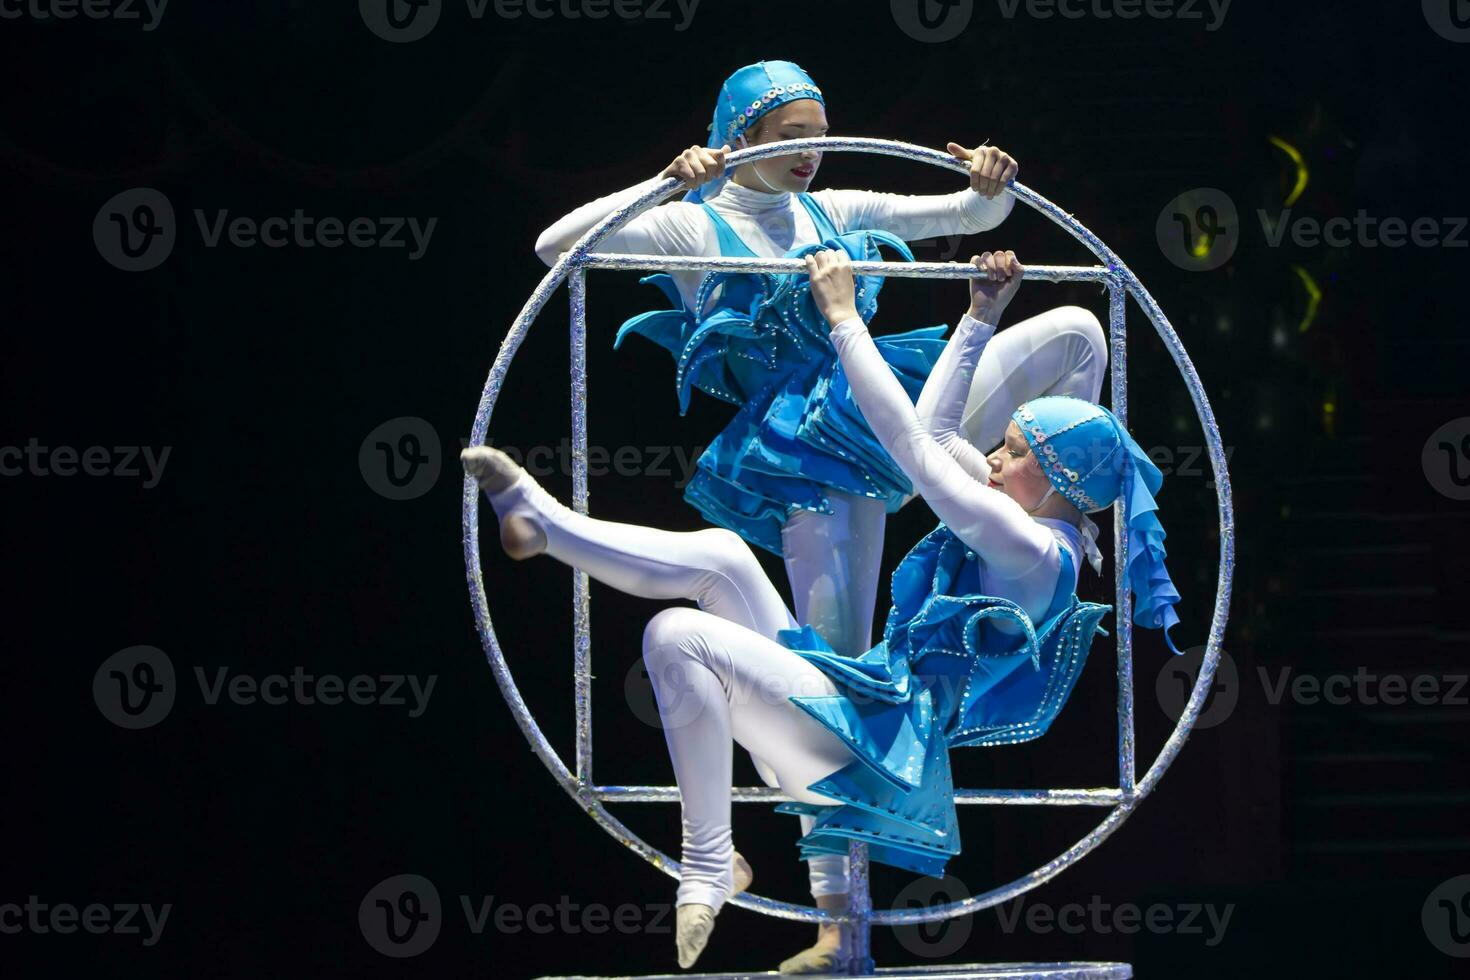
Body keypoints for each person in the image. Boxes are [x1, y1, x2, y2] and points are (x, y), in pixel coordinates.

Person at [533, 60, 1108, 967]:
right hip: (807, 460)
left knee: (1078, 330)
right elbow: (556, 246)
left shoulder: (831, 208)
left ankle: (1054, 532)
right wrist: (662, 180)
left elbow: (964, 217)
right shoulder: (694, 221)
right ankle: (840, 926)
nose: (811, 152)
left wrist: (990, 186)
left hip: (899, 408)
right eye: (791, 134)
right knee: (833, 678)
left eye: (820, 132)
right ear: (743, 138)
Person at [465, 250, 1183, 971]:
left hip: (867, 749)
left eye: (1016, 450)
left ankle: (709, 860)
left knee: (677, 637)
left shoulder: (1027, 545)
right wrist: (979, 315)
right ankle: (544, 524)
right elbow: (933, 435)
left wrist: (844, 321)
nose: (993, 457)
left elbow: (913, 445)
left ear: (1058, 478)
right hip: (859, 705)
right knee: (722, 559)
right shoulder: (1029, 523)